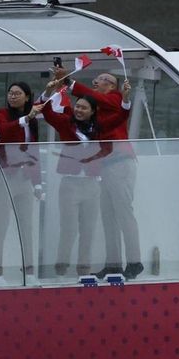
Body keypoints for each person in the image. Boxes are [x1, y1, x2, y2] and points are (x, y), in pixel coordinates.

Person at [52, 67, 139, 278]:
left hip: (120, 162)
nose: (97, 82)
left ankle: (135, 261)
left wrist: (68, 82)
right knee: (108, 217)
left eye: (103, 80)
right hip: (106, 167)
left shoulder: (116, 98)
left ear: (112, 86)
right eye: (97, 79)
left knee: (123, 213)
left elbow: (98, 100)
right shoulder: (98, 107)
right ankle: (114, 263)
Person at [36, 90, 103, 279]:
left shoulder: (99, 128)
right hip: (71, 184)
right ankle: (61, 267)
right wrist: (48, 92)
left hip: (92, 184)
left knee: (88, 230)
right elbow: (48, 113)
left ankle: (84, 269)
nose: (79, 110)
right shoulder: (67, 123)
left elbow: (119, 117)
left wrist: (125, 100)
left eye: (84, 108)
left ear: (93, 111)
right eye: (77, 107)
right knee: (69, 228)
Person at [0, 82, 42, 283]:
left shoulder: (33, 121)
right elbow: (2, 132)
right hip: (4, 175)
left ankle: (28, 271)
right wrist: (24, 120)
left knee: (27, 227)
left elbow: (34, 151)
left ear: (27, 97)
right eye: (10, 93)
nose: (13, 96)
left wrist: (38, 182)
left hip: (24, 176)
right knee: (0, 224)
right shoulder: (1, 113)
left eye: (18, 93)